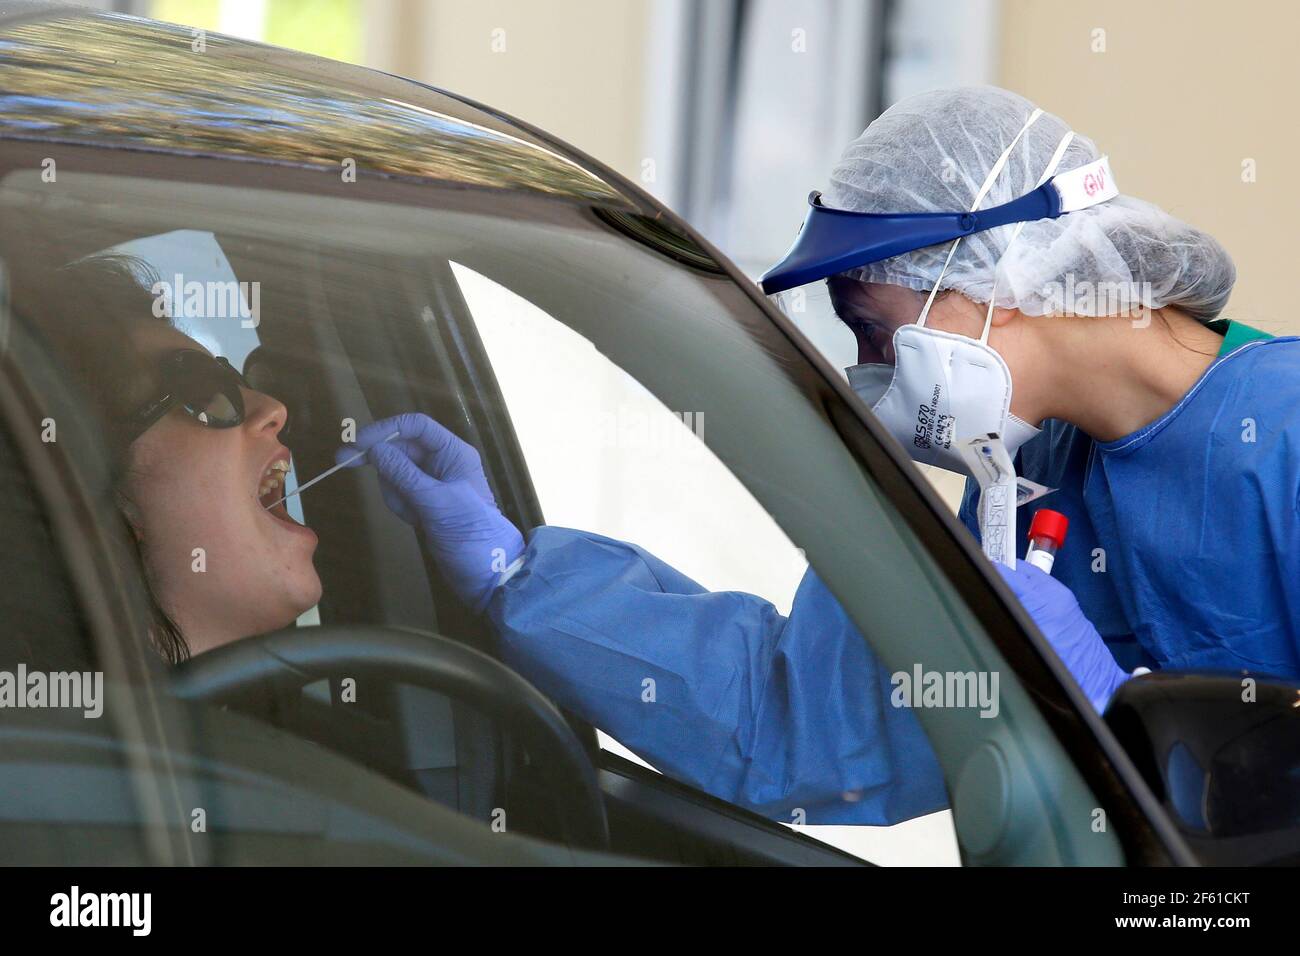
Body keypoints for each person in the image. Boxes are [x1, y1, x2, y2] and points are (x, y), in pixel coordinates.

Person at [341, 86, 1300, 823]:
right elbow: (810, 725)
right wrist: (516, 574)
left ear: (996, 274)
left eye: (873, 331)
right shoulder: (1028, 479)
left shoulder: (1283, 434)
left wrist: (1131, 716)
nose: (868, 375)